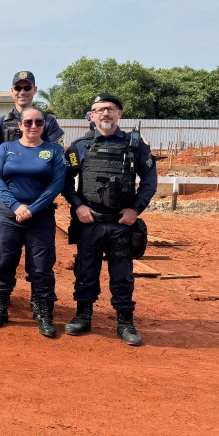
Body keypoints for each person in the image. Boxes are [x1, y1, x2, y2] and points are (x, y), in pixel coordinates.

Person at [63, 93, 157, 346]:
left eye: (110, 109)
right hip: (89, 222)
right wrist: (78, 206)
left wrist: (135, 209)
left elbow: (149, 181)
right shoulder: (80, 146)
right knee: (85, 271)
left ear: (119, 113)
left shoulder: (135, 146)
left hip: (121, 223)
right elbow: (64, 180)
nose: (105, 113)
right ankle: (83, 315)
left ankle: (125, 322)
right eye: (99, 110)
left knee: (122, 274)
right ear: (91, 115)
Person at [0, 71, 65, 313]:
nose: (22, 92)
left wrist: (32, 207)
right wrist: (14, 205)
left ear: (34, 90)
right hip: (6, 204)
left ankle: (39, 301)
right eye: (18, 88)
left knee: (40, 259)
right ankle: (2, 298)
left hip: (39, 206)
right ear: (12, 91)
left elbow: (54, 157)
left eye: (27, 87)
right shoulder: (0, 123)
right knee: (2, 253)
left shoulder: (48, 120)